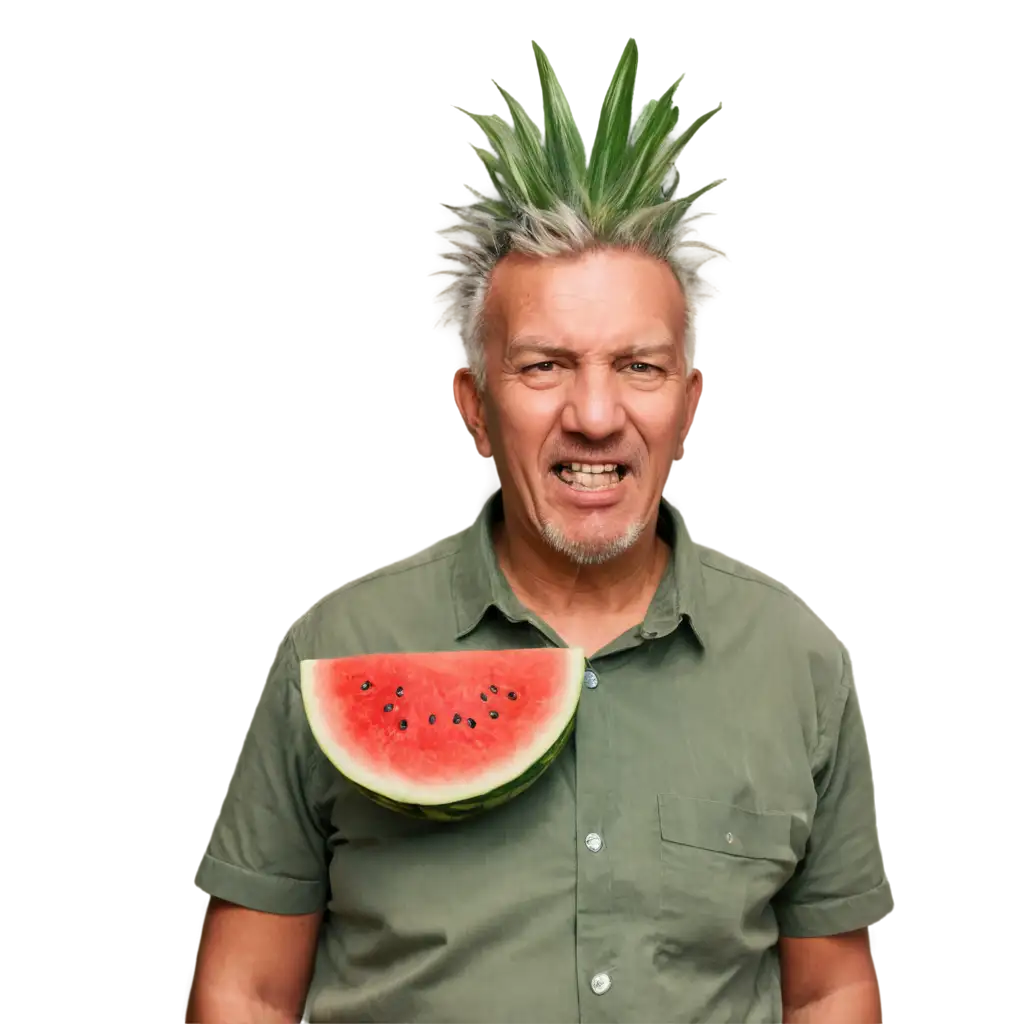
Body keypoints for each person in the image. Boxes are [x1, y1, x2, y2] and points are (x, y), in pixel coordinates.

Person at [189, 43, 888, 1024]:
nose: (595, 414)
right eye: (544, 366)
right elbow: (247, 987)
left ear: (687, 405)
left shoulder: (797, 662)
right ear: (473, 407)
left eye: (638, 367)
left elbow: (831, 985)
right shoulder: (333, 646)